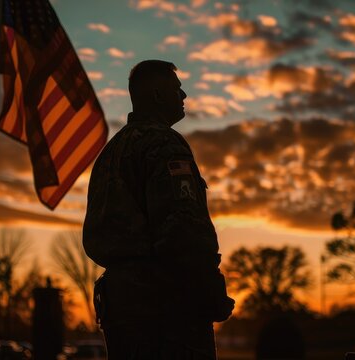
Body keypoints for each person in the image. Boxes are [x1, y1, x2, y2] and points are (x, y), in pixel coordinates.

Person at [82, 59, 234, 359]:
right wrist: (209, 288)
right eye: (177, 89)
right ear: (156, 96)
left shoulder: (112, 151)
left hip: (122, 308)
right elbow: (182, 227)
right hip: (166, 308)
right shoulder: (164, 143)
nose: (184, 96)